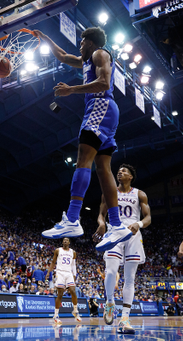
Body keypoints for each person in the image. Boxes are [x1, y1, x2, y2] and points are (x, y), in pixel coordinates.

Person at [35, 28, 132, 251]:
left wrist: (72, 90)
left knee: (83, 158)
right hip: (106, 111)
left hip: (100, 106)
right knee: (103, 169)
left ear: (89, 42)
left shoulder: (100, 54)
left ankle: (72, 219)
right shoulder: (87, 60)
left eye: (81, 42)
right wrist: (46, 38)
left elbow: (105, 83)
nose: (79, 46)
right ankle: (116, 225)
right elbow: (62, 56)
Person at [96, 164, 151, 334]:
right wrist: (101, 223)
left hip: (133, 235)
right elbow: (101, 214)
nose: (120, 172)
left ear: (131, 177)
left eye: (124, 171)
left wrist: (139, 223)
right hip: (114, 233)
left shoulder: (140, 194)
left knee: (130, 278)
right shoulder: (109, 192)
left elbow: (148, 217)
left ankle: (125, 319)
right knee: (111, 271)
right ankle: (110, 302)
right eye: (119, 170)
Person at [46, 237, 81, 325]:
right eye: (63, 240)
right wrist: (49, 271)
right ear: (62, 242)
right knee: (60, 294)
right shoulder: (58, 250)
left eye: (67, 240)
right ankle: (56, 315)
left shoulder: (73, 252)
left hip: (69, 273)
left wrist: (74, 274)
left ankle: (75, 311)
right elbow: (53, 262)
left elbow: (73, 265)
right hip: (60, 273)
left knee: (73, 291)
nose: (65, 241)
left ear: (69, 242)